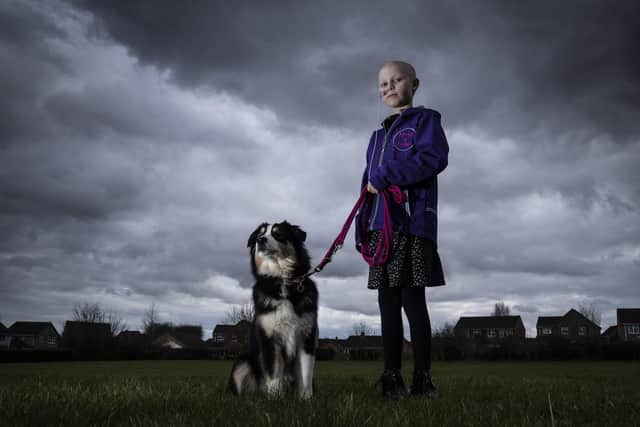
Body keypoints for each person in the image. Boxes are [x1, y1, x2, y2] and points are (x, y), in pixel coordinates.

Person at [355, 60, 449, 400]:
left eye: (397, 80)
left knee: (413, 302)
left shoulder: (426, 121)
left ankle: (423, 380)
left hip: (411, 225)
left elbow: (433, 159)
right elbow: (367, 183)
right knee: (387, 304)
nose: (389, 87)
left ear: (415, 84)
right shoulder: (376, 136)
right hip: (381, 230)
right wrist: (361, 224)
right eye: (382, 84)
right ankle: (391, 378)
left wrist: (385, 176)